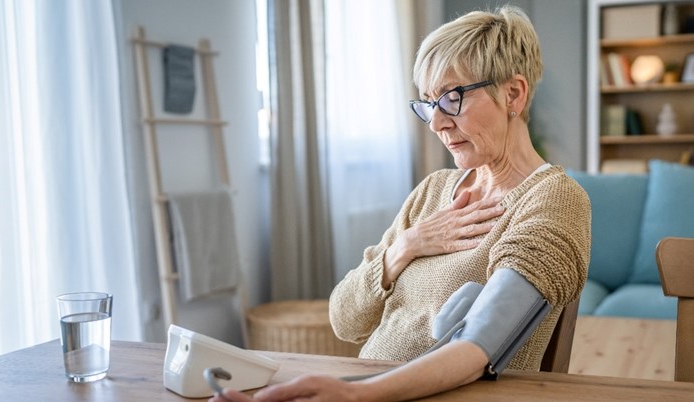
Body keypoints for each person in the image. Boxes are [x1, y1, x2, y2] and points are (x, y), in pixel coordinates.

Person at [211, 5, 590, 402]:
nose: (437, 123)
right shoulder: (432, 191)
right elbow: (345, 320)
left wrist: (354, 395)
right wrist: (406, 246)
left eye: (451, 97)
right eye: (429, 103)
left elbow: (480, 347)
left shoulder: (554, 200)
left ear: (513, 93)